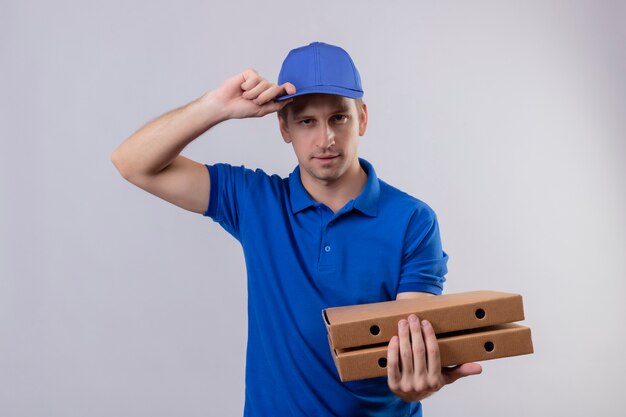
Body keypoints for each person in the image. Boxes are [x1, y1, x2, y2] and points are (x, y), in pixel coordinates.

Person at [111, 41, 482, 417]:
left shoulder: (412, 219)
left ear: (363, 119)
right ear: (284, 127)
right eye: (306, 121)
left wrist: (414, 379)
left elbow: (408, 339)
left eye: (339, 118)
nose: (325, 140)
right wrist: (215, 108)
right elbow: (132, 163)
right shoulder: (254, 201)